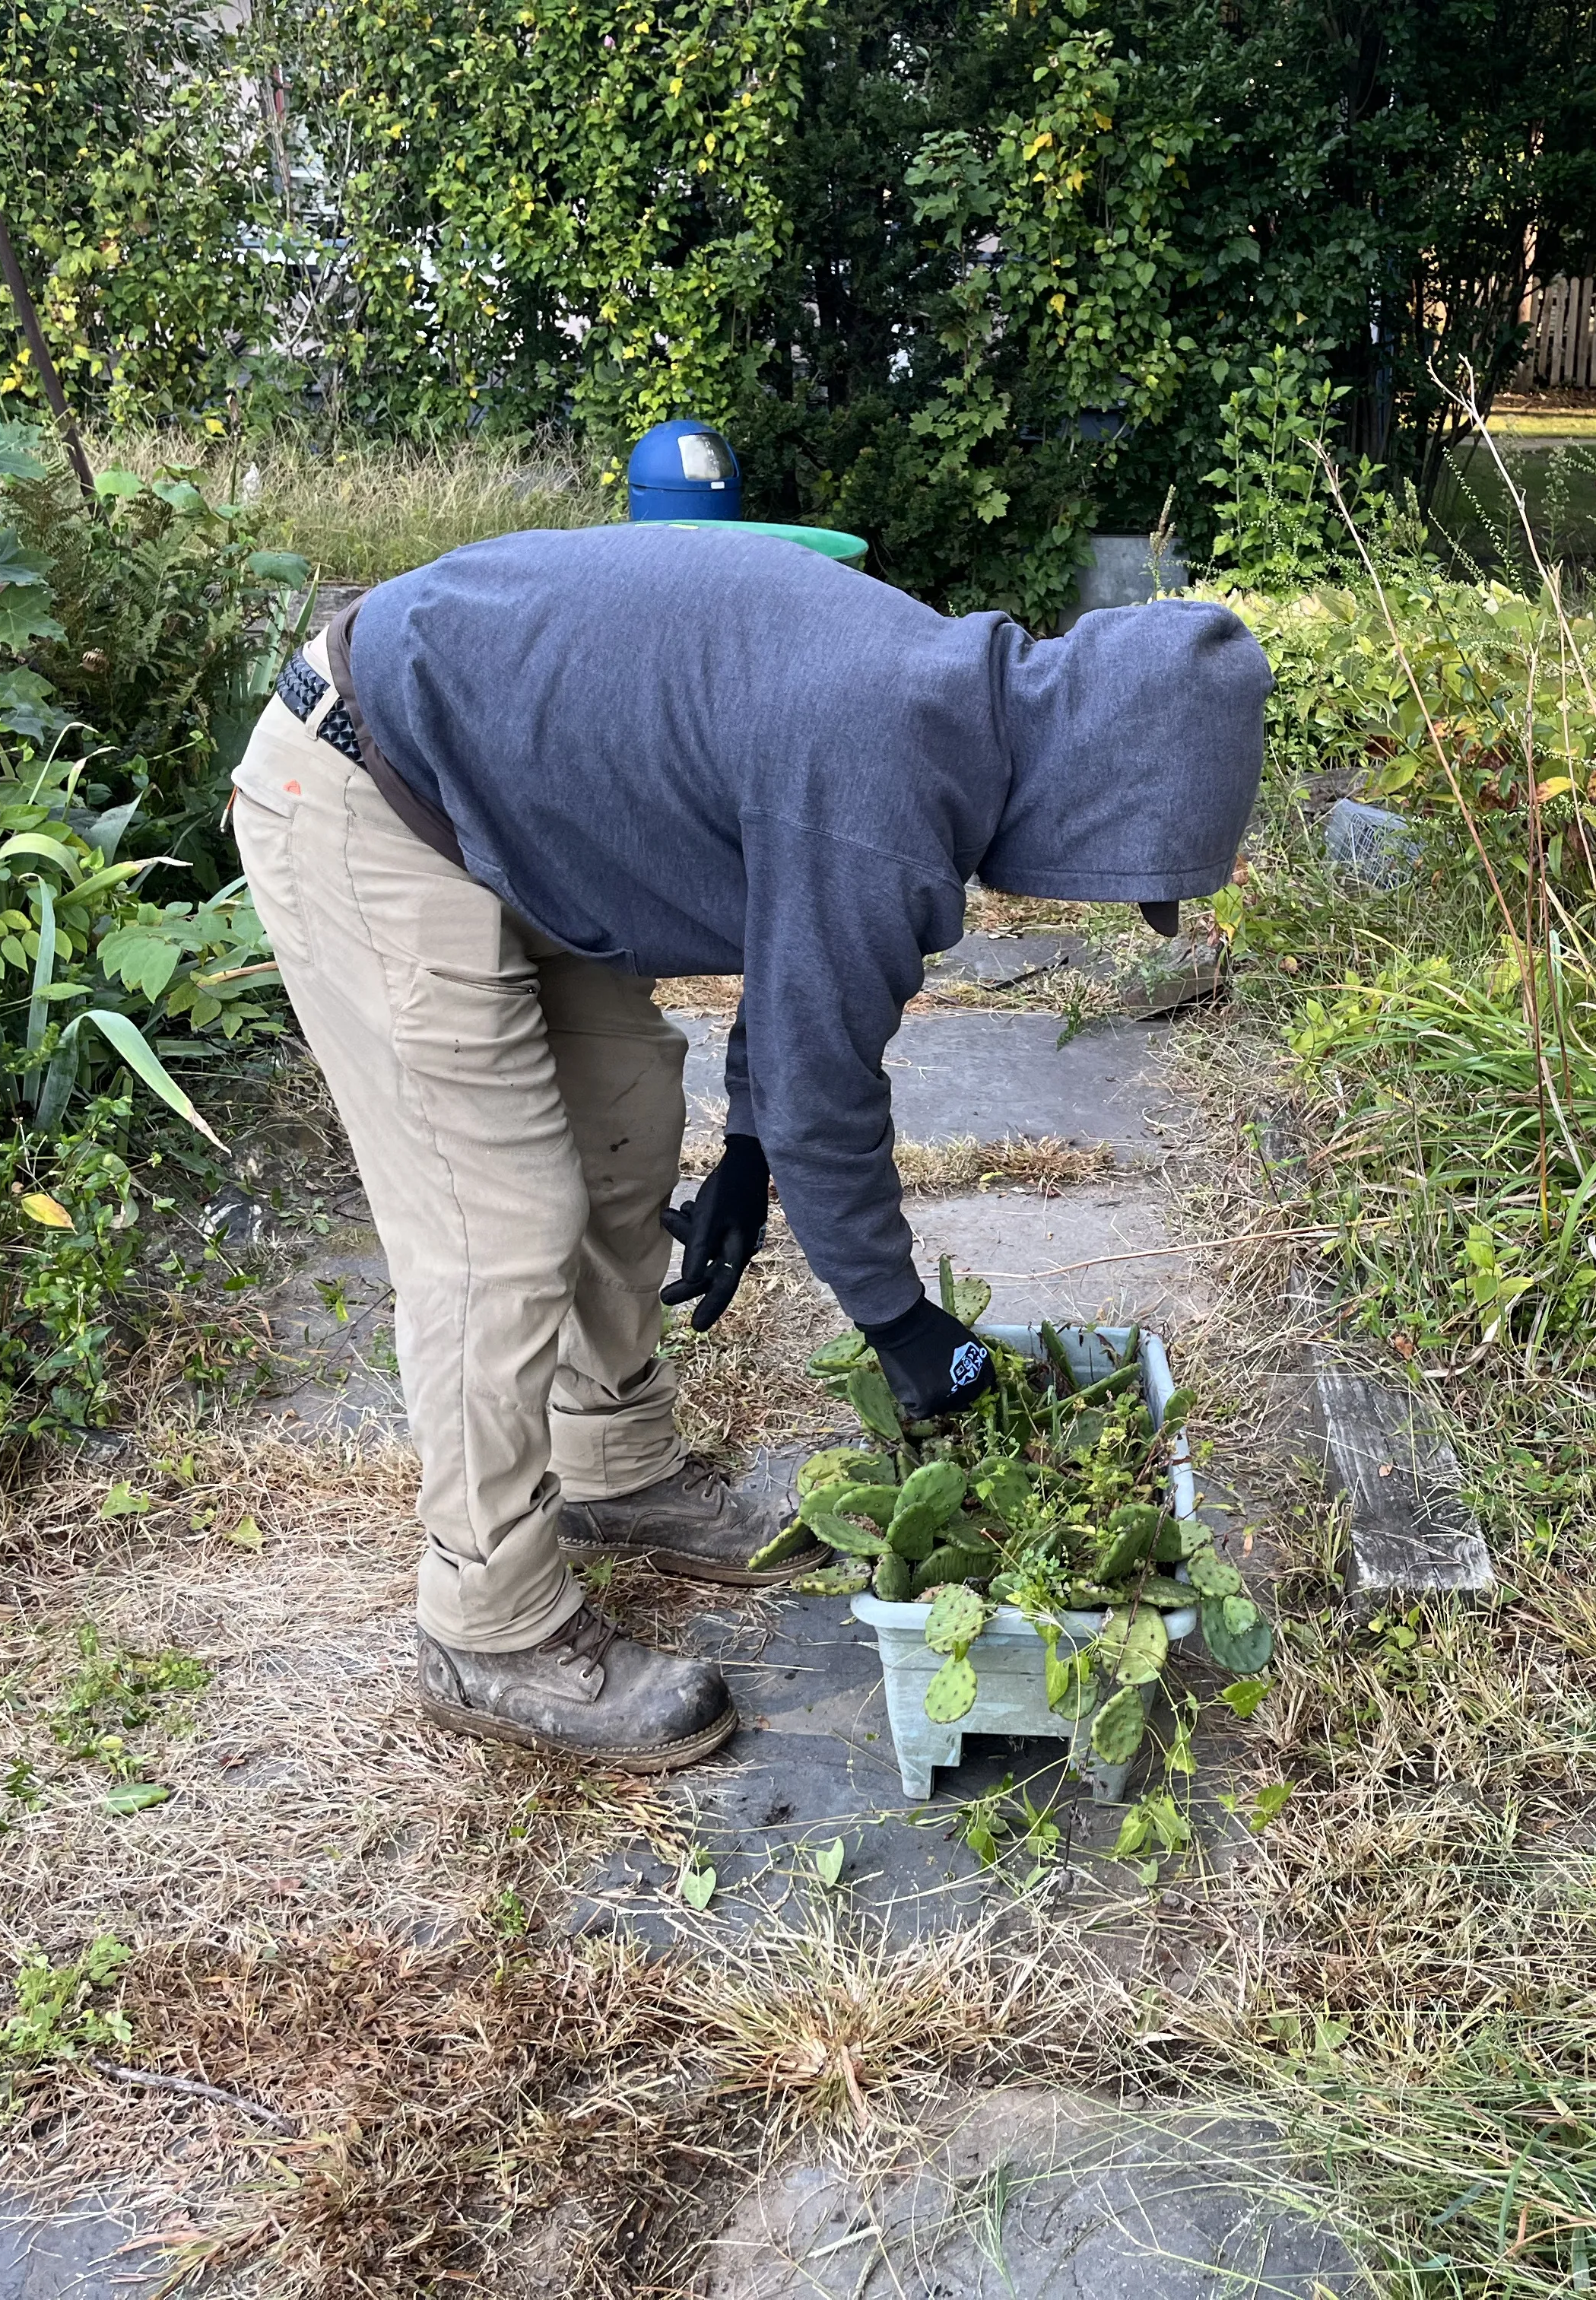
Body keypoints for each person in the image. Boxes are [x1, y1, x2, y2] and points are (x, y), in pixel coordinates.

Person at [229, 523, 1271, 1770]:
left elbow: (791, 954)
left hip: (511, 802)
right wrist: (899, 1326)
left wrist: (746, 1151)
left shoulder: (944, 709)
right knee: (495, 1228)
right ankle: (484, 1622)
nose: (1092, 897)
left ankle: (614, 1465)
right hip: (371, 788)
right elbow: (831, 1073)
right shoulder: (888, 775)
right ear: (1096, 791)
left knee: (625, 1137)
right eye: (1122, 868)